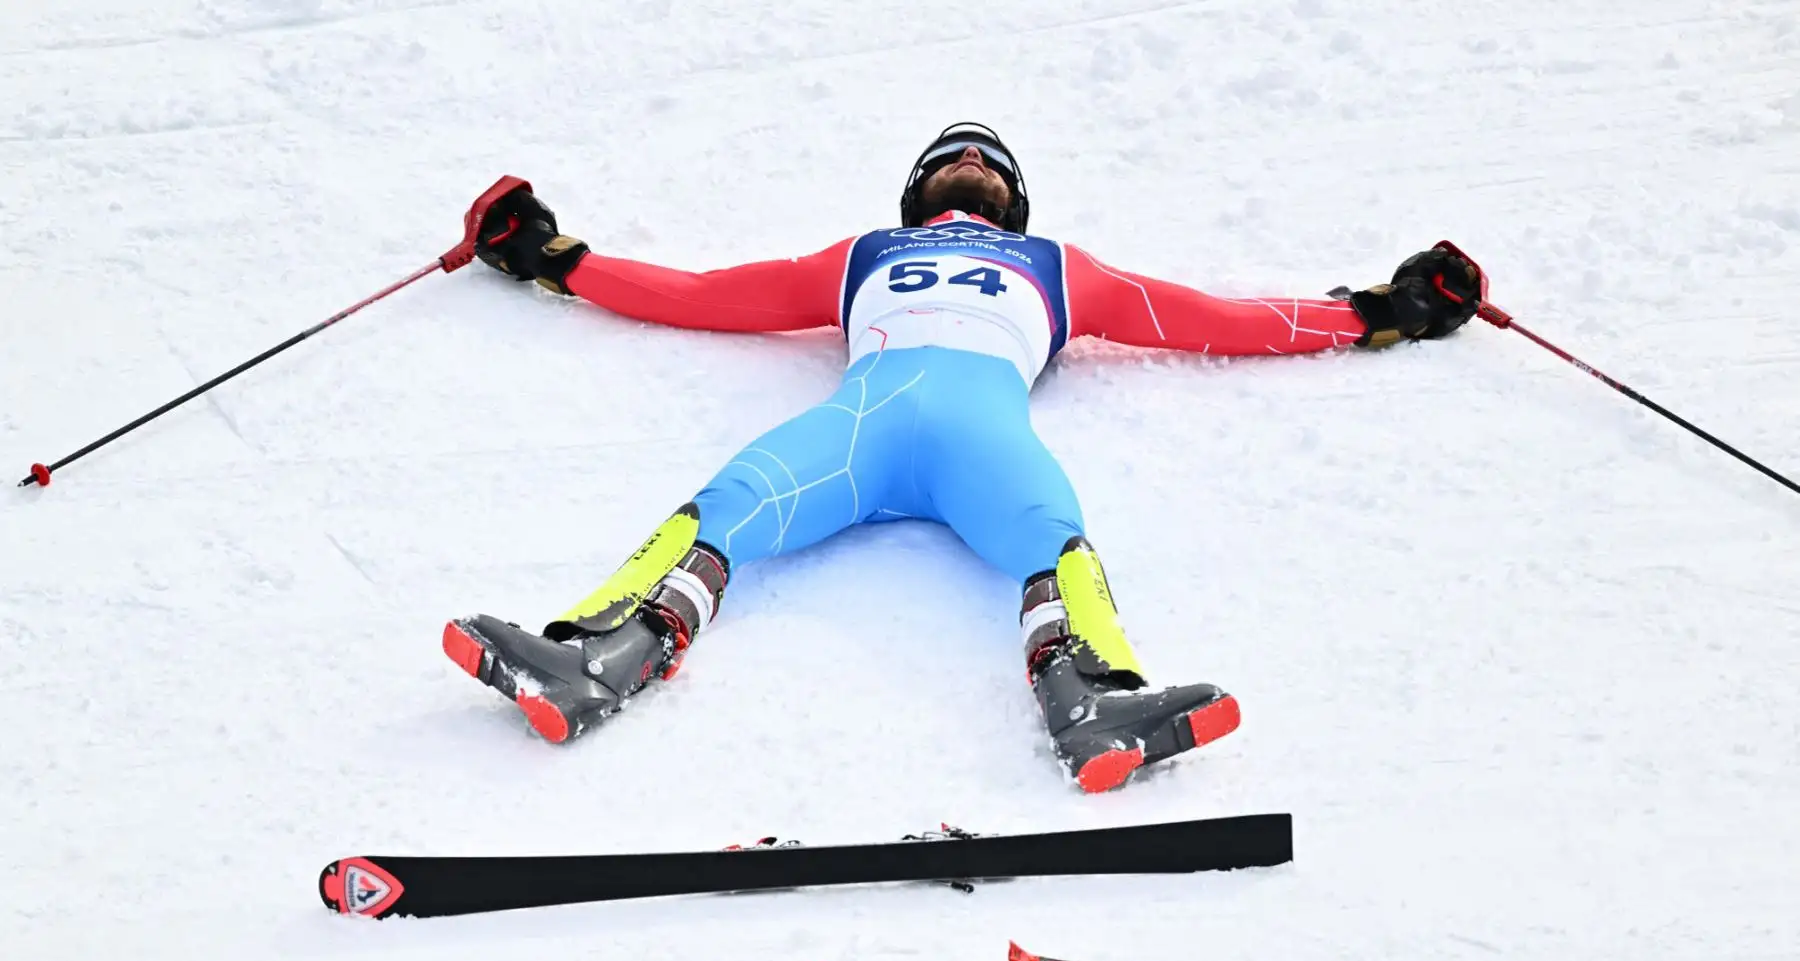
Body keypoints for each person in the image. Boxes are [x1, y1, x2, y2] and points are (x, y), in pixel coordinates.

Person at [446, 122, 1483, 792]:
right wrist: (552, 257)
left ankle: (1094, 703)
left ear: (1015, 202)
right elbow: (707, 295)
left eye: (992, 160)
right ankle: (596, 657)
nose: (973, 162)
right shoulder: (863, 255)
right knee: (729, 502)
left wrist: (1381, 311)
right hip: (857, 428)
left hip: (984, 436)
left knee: (1054, 539)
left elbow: (1216, 318)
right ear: (916, 190)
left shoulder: (1058, 266)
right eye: (954, 155)